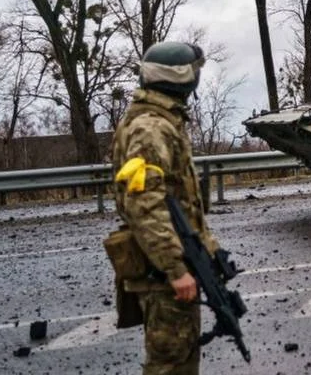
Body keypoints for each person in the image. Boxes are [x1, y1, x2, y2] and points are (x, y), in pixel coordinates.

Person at [109, 41, 219, 375]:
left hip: (171, 262)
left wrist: (206, 253)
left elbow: (173, 201)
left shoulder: (157, 121)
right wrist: (175, 268)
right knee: (170, 365)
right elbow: (145, 204)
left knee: (180, 358)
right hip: (164, 271)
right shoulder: (152, 128)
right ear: (183, 79)